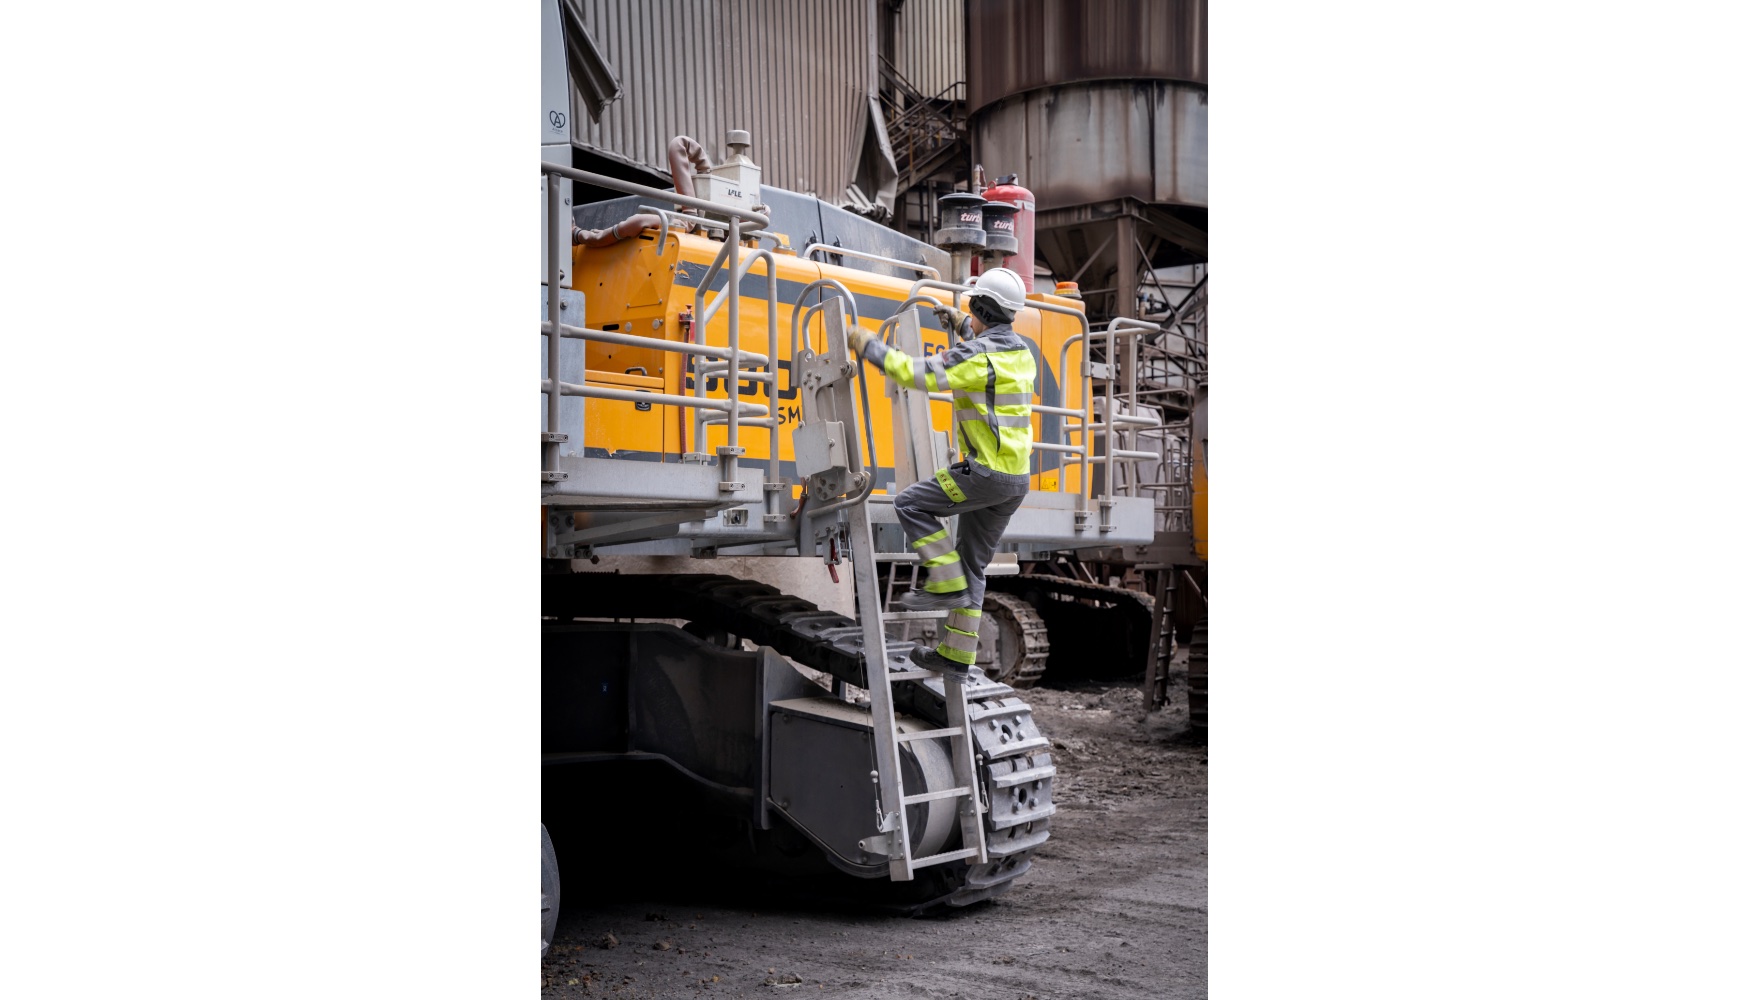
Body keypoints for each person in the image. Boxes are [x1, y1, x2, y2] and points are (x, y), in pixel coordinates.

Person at [844, 267, 1036, 676]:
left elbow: (917, 374)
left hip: (984, 473)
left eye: (973, 307)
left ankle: (944, 581)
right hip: (1016, 481)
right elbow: (990, 339)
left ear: (980, 305)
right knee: (974, 566)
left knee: (910, 504)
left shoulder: (975, 356)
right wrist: (964, 323)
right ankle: (956, 656)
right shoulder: (1021, 351)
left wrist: (869, 347)